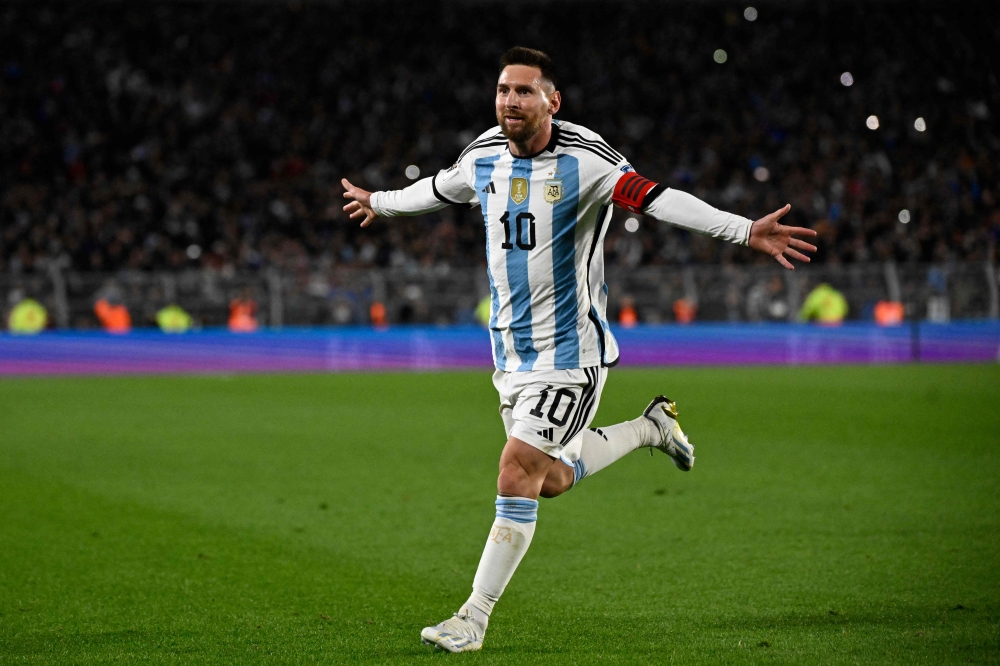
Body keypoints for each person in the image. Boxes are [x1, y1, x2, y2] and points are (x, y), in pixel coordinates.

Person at [341, 47, 817, 653]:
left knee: (516, 469)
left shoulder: (588, 160)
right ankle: (650, 429)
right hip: (510, 358)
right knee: (552, 479)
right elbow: (437, 189)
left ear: (552, 101)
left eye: (524, 91)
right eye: (503, 90)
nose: (510, 101)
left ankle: (473, 618)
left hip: (571, 353)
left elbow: (659, 198)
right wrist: (379, 203)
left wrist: (742, 229)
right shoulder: (483, 153)